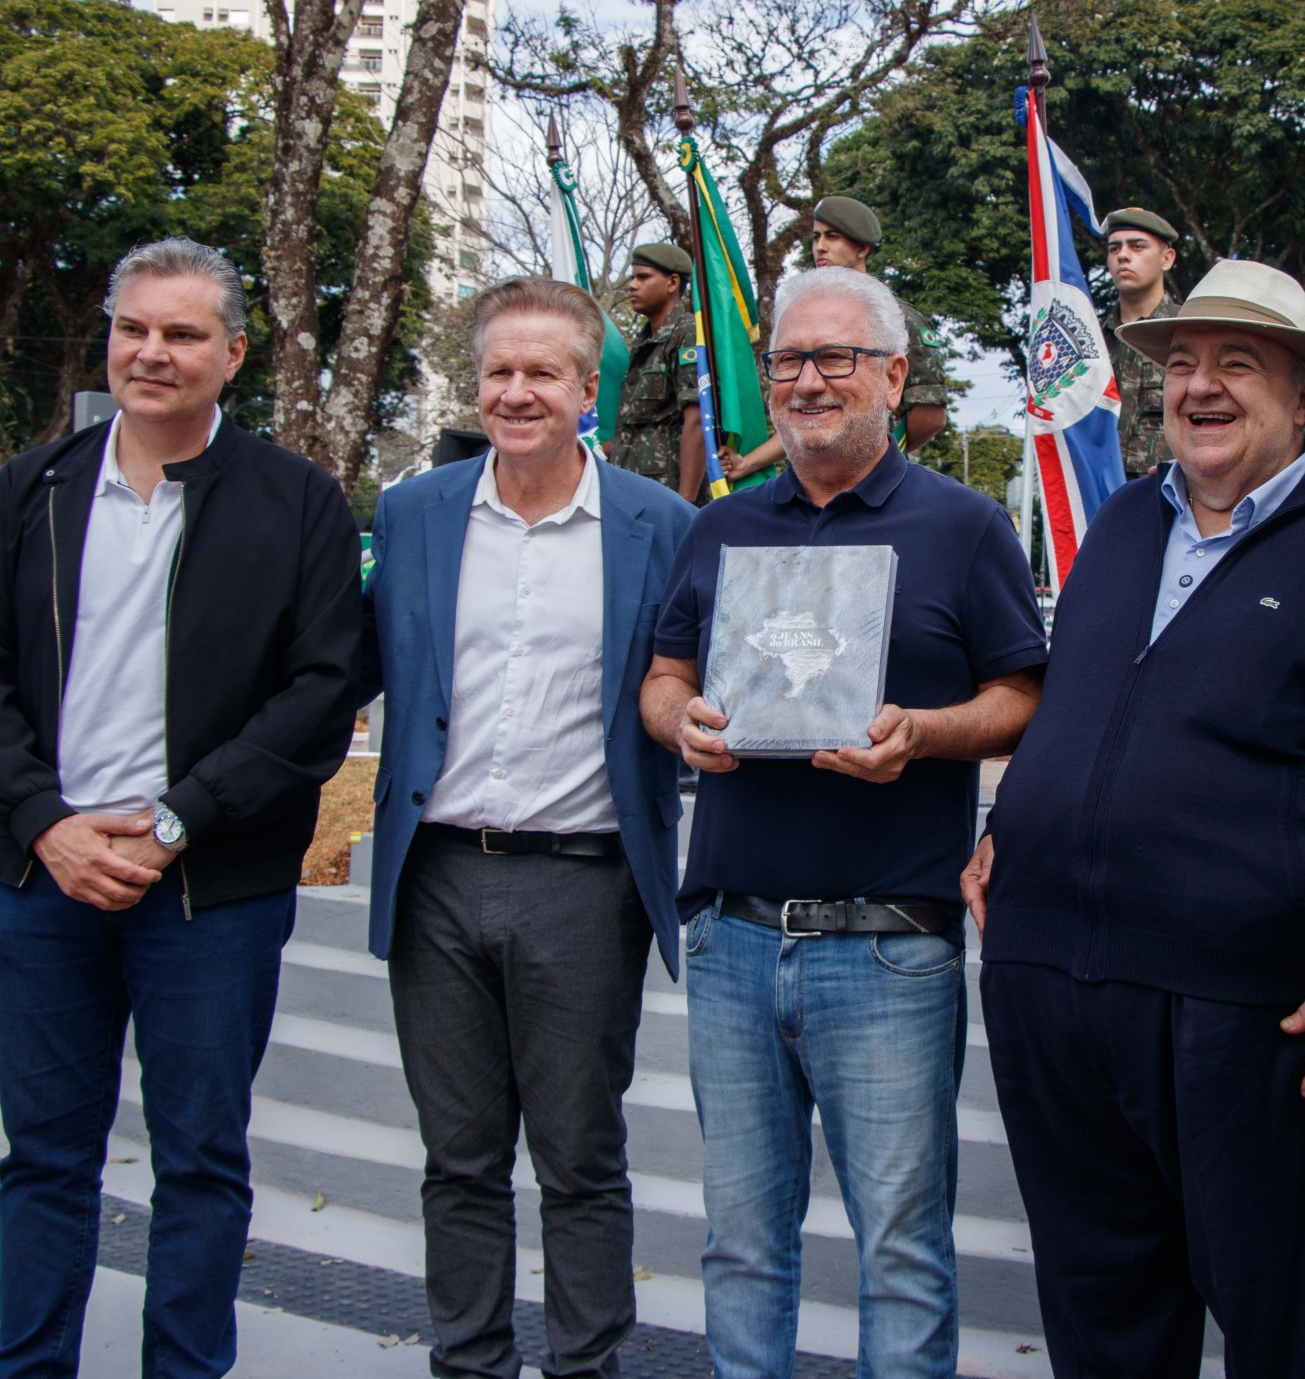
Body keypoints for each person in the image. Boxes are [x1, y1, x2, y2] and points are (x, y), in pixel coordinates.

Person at [962, 260, 1305, 1377]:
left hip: (1250, 1004)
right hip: (1051, 982)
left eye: (1237, 365)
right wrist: (1012, 821)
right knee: (1100, 1313)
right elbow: (1082, 703)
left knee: (1285, 1322)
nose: (1200, 387)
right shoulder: (1121, 521)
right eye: (1183, 365)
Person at [0, 237, 364, 1379]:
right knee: (44, 1159)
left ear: (234, 353)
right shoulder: (33, 488)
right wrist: (44, 821)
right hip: (44, 880)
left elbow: (321, 692)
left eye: (182, 333)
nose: (151, 352)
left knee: (200, 1164)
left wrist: (180, 818)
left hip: (210, 892)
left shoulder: (297, 501)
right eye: (132, 328)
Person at [640, 265, 1046, 1377]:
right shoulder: (719, 526)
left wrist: (923, 732)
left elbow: (1024, 696)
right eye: (788, 361)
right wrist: (681, 724)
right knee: (739, 1244)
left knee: (901, 1251)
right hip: (730, 938)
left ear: (894, 375)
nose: (808, 381)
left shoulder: (964, 526)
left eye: (835, 358)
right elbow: (664, 677)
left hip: (888, 947)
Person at [359, 276, 695, 1379]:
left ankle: (586, 1365)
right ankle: (468, 1363)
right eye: (498, 370)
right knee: (456, 1160)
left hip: (585, 885)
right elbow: (349, 663)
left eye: (542, 372)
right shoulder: (413, 514)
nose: (516, 392)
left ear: (588, 388)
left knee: (579, 1160)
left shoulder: (661, 525)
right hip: (437, 878)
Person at [720, 195, 949, 480]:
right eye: (816, 237)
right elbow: (812, 413)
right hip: (812, 482)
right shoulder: (800, 312)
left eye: (832, 236)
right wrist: (747, 464)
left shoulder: (898, 318)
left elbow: (930, 415)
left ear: (862, 248)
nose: (820, 246)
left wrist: (874, 463)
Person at [609, 242, 705, 502]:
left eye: (643, 277)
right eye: (632, 277)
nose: (632, 285)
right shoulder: (643, 342)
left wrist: (685, 503)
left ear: (672, 282)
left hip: (667, 490)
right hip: (633, 483)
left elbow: (697, 418)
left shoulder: (687, 333)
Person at [1098, 207, 1181, 478]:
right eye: (1114, 248)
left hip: (1170, 489)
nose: (1122, 255)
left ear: (1167, 259)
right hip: (1100, 489)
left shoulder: (1189, 332)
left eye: (1137, 246)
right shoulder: (1091, 340)